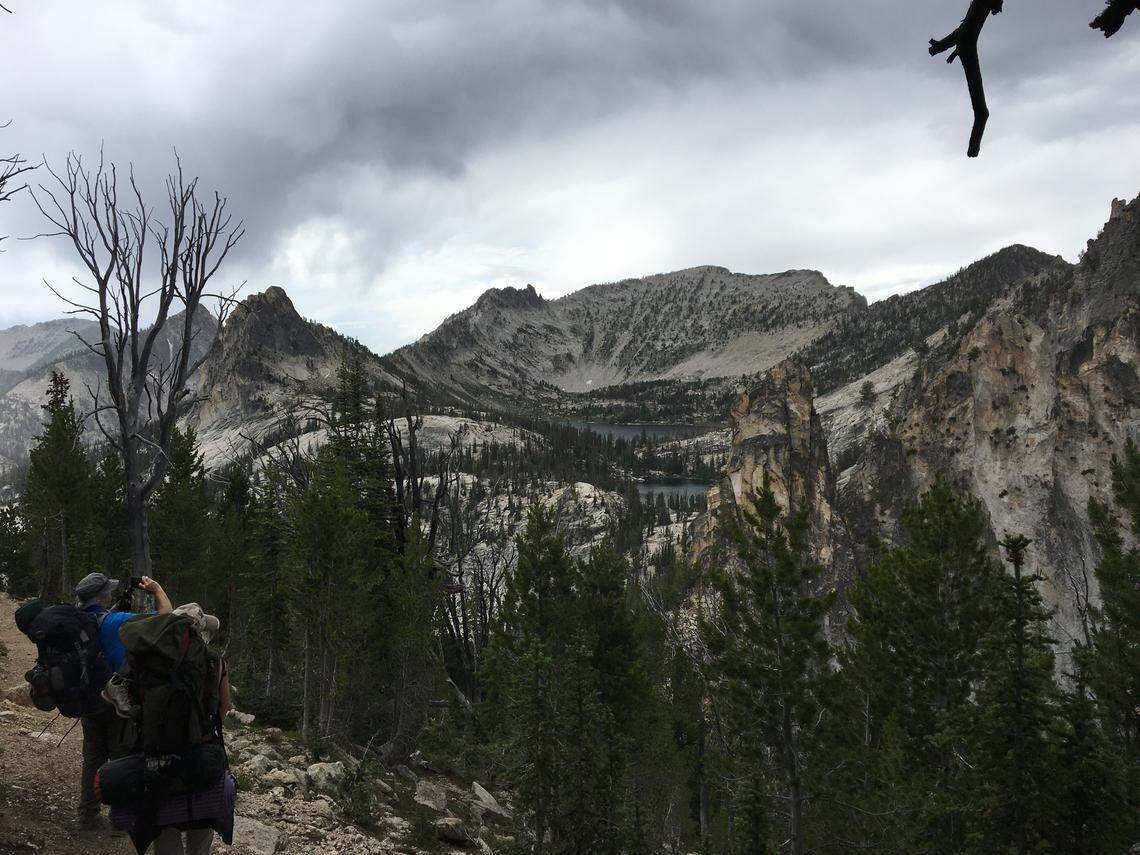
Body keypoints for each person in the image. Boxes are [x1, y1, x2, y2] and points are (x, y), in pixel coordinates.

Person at [73, 571, 172, 834]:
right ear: (104, 597)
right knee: (121, 756)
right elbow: (165, 617)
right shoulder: (116, 620)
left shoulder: (78, 619)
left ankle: (87, 816)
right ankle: (119, 818)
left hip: (87, 698)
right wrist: (157, 589)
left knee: (92, 756)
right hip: (116, 697)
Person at [150, 602, 231, 855]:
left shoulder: (154, 659)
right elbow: (223, 708)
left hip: (159, 751)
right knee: (202, 819)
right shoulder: (214, 663)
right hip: (202, 748)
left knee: (164, 821)